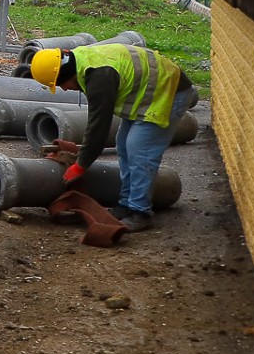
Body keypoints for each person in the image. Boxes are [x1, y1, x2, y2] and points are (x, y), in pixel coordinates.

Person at [30, 44, 197, 232]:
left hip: (170, 91)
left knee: (139, 150)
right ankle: (127, 203)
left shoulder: (98, 77)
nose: (65, 89)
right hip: (147, 93)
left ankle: (140, 211)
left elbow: (98, 127)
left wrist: (81, 165)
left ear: (66, 74)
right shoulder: (80, 62)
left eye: (61, 84)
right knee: (124, 145)